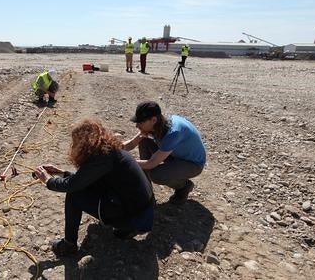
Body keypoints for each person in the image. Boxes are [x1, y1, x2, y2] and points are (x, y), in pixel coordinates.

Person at [34, 119, 154, 257]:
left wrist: (48, 180)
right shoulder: (110, 150)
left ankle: (69, 245)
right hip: (143, 210)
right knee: (86, 189)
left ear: (85, 142)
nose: (74, 146)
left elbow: (72, 186)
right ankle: (125, 228)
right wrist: (61, 173)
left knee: (74, 195)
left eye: (76, 142)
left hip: (135, 217)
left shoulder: (101, 158)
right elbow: (86, 179)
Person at [123, 101, 206, 204]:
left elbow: (151, 164)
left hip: (193, 164)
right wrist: (111, 149)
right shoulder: (158, 124)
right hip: (175, 155)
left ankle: (184, 186)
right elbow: (131, 143)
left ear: (153, 120)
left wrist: (125, 162)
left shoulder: (173, 133)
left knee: (157, 175)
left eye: (140, 122)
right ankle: (146, 190)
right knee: (143, 140)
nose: (137, 126)